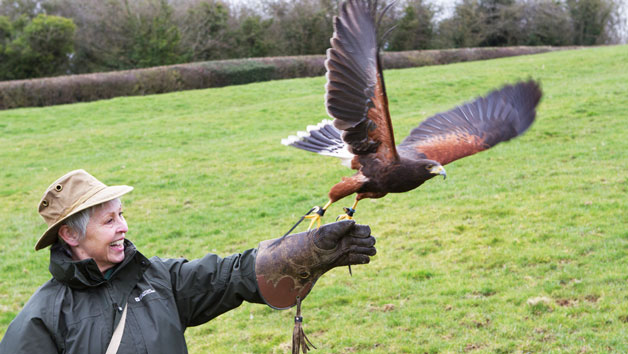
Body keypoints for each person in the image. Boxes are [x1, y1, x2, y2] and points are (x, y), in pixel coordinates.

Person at [0, 169, 376, 353]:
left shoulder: (158, 279)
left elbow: (230, 276)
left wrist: (309, 250)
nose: (124, 227)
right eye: (109, 220)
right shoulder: (43, 318)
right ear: (70, 235)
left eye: (122, 214)